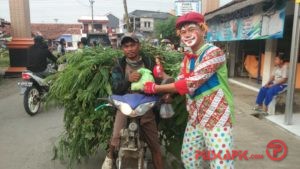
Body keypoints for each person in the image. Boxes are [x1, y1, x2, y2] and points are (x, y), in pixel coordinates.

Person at [143, 12, 234, 169]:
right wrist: (164, 79)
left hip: (217, 118)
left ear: (203, 29)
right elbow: (179, 82)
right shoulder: (187, 58)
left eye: (191, 29)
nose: (187, 34)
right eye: (183, 32)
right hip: (195, 118)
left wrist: (156, 88)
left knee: (221, 165)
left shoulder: (214, 53)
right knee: (189, 159)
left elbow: (190, 84)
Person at [101, 32, 164, 169]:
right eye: (126, 46)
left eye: (132, 45)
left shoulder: (149, 61)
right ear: (122, 49)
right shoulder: (119, 64)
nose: (130, 49)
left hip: (145, 103)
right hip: (126, 104)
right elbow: (116, 88)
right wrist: (128, 80)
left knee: (155, 144)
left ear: (138, 46)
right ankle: (110, 154)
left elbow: (159, 80)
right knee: (117, 134)